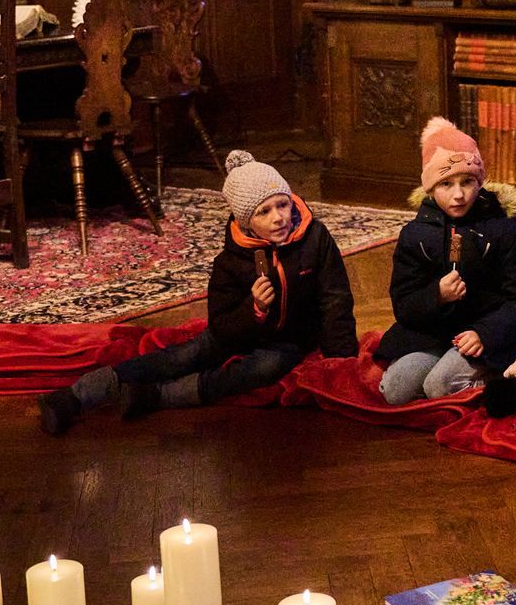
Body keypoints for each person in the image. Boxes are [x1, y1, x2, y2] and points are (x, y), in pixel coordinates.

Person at [36, 150, 357, 431]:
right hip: (238, 332)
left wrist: (342, 362)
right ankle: (77, 396)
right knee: (187, 354)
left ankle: (159, 396)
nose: (279, 217)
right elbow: (221, 326)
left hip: (289, 339)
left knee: (265, 368)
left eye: (282, 205)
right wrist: (254, 310)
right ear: (245, 221)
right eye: (264, 211)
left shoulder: (315, 237)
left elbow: (335, 297)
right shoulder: (230, 261)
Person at [375, 117, 516, 405]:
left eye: (467, 182)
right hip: (432, 336)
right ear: (429, 188)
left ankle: (498, 373)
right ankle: (443, 373)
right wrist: (437, 296)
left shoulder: (504, 230)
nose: (458, 194)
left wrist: (485, 333)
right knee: (395, 389)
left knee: (439, 386)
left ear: (479, 181)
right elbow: (404, 304)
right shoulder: (415, 234)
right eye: (446, 184)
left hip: (489, 338)